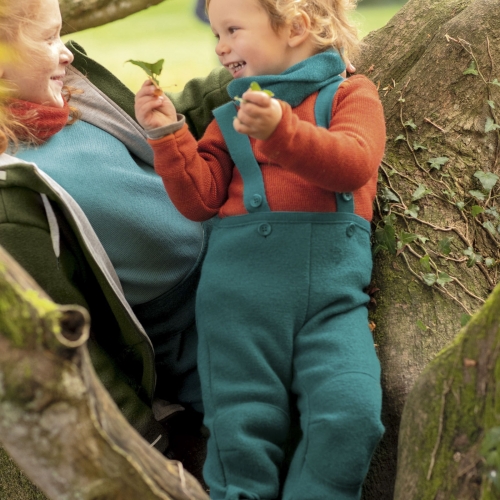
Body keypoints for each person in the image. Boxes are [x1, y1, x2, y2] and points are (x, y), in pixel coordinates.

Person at [134, 0, 386, 498]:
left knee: (351, 413)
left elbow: (353, 164)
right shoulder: (229, 117)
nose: (220, 46)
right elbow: (200, 200)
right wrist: (167, 136)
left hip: (332, 305)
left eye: (232, 30)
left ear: (297, 26)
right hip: (238, 307)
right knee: (241, 432)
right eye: (216, 33)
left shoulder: (350, 95)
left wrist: (282, 131)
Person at [0, 0, 232, 466]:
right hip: (197, 335)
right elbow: (72, 348)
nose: (64, 52)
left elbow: (162, 130)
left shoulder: (70, 90)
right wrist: (145, 448)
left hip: (238, 251)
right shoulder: (12, 195)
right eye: (48, 39)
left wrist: (272, 72)